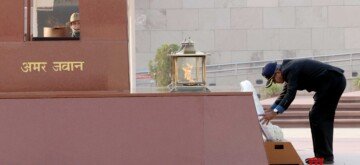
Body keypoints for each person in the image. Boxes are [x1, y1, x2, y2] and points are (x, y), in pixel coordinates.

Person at [259, 59, 346, 164]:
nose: (275, 82)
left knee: (319, 116)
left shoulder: (290, 70)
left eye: (273, 80)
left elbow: (290, 95)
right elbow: (284, 94)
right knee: (316, 116)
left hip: (333, 82)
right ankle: (323, 157)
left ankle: (325, 157)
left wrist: (275, 112)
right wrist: (271, 109)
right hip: (330, 84)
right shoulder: (288, 71)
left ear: (277, 72)